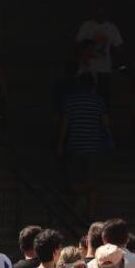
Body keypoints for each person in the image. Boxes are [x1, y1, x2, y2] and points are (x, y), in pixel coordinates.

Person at [57, 73, 110, 217]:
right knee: (93, 179)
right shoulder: (98, 101)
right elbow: (106, 123)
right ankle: (90, 211)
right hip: (94, 145)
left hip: (75, 145)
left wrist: (60, 143)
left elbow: (65, 124)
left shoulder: (70, 101)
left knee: (73, 180)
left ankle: (81, 201)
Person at [75, 2, 124, 102]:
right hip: (87, 70)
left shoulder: (111, 27)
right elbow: (77, 44)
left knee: (103, 100)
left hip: (104, 70)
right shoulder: (87, 25)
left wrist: (117, 64)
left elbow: (119, 47)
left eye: (102, 12)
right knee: (85, 99)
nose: (100, 15)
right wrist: (84, 56)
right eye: (97, 12)